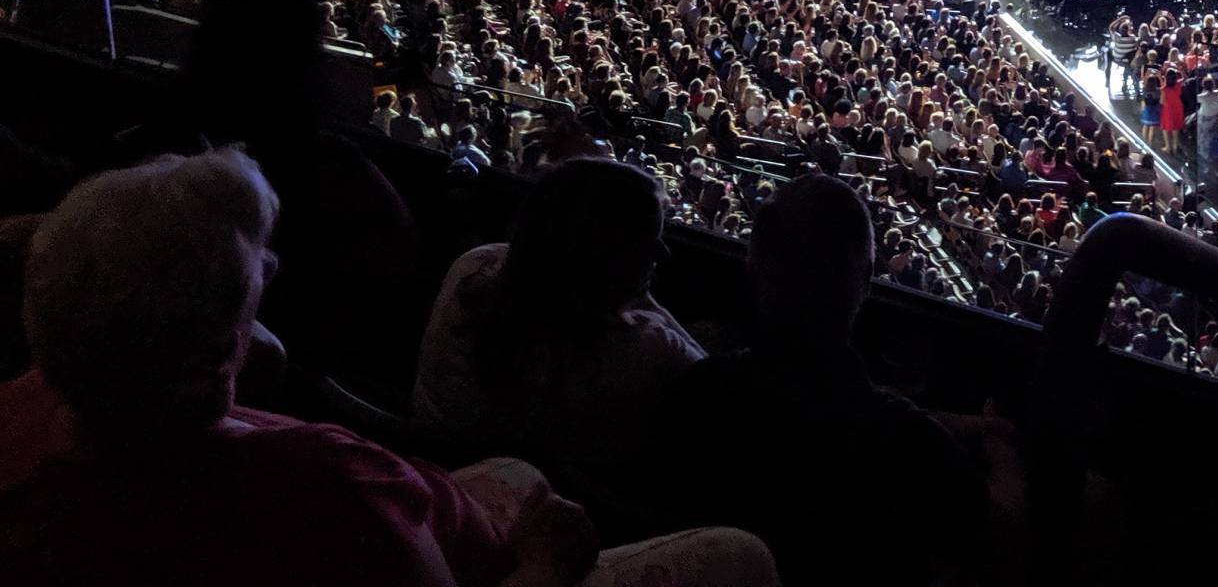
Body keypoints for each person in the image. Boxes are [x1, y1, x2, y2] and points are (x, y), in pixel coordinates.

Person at [2, 150, 775, 587]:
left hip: (441, 485)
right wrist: (545, 564)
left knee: (516, 470)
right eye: (251, 298)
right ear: (215, 353)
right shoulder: (327, 489)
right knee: (743, 553)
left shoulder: (20, 414)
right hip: (491, 563)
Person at [650, 176, 986, 587]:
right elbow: (990, 539)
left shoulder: (694, 400)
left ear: (753, 267)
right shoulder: (913, 449)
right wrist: (1003, 453)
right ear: (865, 285)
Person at [411, 158, 704, 487]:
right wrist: (642, 294)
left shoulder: (473, 268)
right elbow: (707, 377)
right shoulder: (644, 350)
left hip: (431, 476)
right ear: (606, 258)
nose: (662, 253)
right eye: (647, 242)